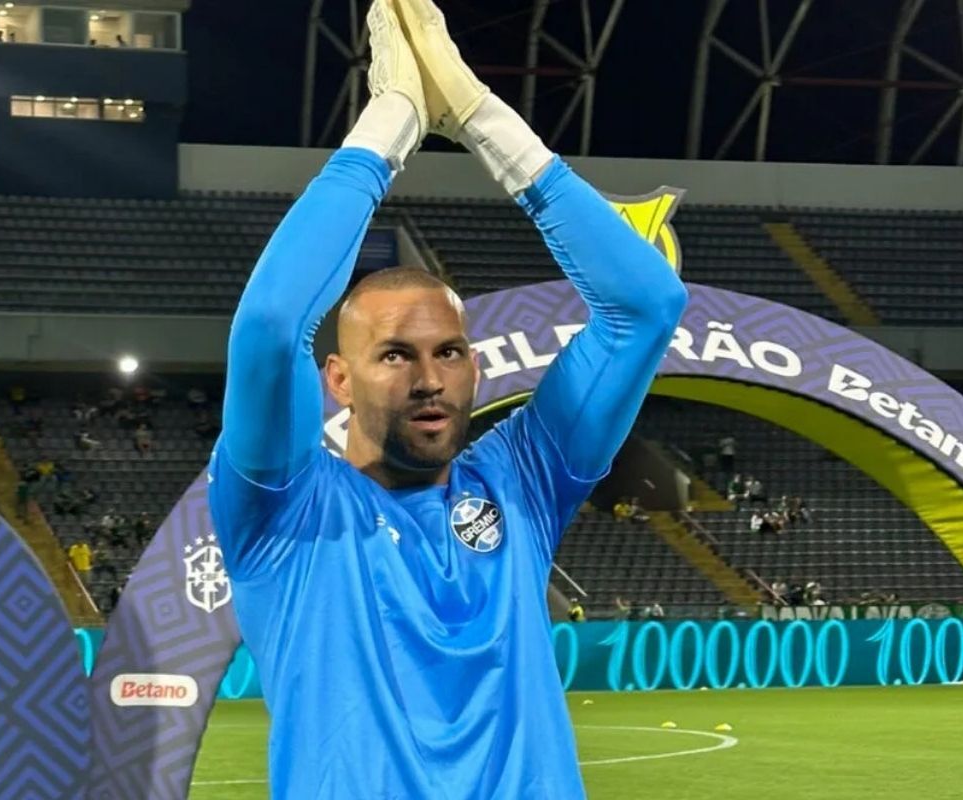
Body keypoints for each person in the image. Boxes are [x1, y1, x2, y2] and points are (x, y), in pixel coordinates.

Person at [204, 2, 687, 797]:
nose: (429, 378)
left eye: (449, 353)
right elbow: (268, 324)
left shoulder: (522, 484)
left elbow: (646, 305)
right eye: (394, 354)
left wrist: (476, 114)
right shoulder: (284, 507)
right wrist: (394, 119)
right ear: (337, 380)